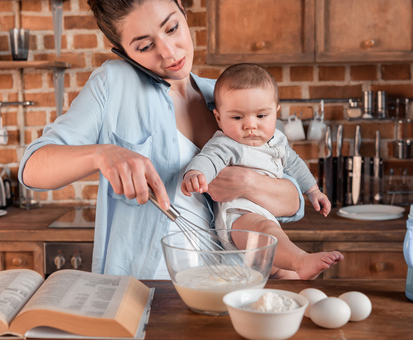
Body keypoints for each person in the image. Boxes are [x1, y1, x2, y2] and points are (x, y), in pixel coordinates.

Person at [19, 0, 305, 279]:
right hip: (144, 290)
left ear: (182, 7)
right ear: (123, 51)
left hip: (232, 284)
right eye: (145, 46)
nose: (169, 52)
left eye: (172, 28)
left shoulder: (224, 97)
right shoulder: (112, 84)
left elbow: (293, 201)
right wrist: (101, 155)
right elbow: (32, 167)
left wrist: (248, 183)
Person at [181, 63, 342, 280]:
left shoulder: (278, 141)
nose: (250, 125)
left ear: (275, 112)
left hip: (267, 217)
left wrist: (313, 190)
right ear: (219, 118)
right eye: (237, 118)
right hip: (239, 216)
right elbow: (209, 159)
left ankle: (298, 281)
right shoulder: (227, 143)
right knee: (266, 230)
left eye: (260, 116)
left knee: (283, 270)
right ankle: (300, 260)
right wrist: (195, 173)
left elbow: (295, 164)